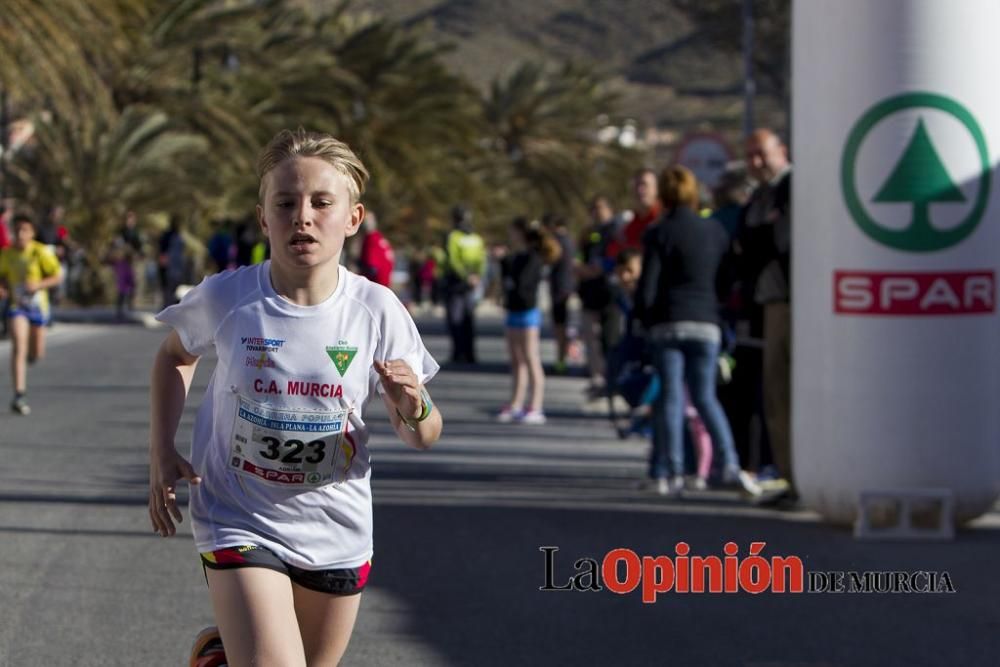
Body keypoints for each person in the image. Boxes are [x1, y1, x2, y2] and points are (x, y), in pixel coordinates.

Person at [148, 128, 443, 666]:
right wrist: (160, 451)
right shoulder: (228, 297)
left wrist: (413, 404)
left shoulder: (376, 311)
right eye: (285, 203)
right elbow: (174, 356)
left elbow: (422, 434)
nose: (302, 216)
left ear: (352, 218)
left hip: (336, 526)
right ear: (264, 218)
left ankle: (221, 653)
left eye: (321, 203)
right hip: (238, 514)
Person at [634, 166, 759, 498]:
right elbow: (725, 280)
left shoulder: (659, 233)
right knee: (706, 397)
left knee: (671, 397)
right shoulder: (714, 232)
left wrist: (642, 321)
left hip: (668, 321)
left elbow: (649, 286)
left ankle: (671, 470)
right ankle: (730, 463)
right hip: (706, 322)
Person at [737, 128, 794, 504]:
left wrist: (758, 236)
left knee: (786, 389)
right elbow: (746, 244)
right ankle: (789, 476)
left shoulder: (791, 188)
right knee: (774, 393)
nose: (756, 162)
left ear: (781, 152)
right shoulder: (760, 196)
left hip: (791, 298)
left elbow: (778, 243)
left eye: (763, 153)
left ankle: (795, 475)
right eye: (751, 155)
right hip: (768, 300)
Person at [495, 217, 561, 425]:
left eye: (513, 232)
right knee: (516, 360)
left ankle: (536, 405)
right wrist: (503, 262)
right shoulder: (518, 256)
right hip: (513, 310)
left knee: (531, 357)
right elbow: (509, 279)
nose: (510, 236)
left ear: (522, 233)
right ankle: (515, 403)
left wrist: (511, 279)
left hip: (527, 312)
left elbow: (523, 284)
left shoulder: (534, 257)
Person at [0, 214, 63, 415]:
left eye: (24, 230)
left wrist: (39, 285)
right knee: (18, 344)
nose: (20, 234)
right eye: (17, 230)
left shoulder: (40, 252)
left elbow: (57, 276)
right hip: (17, 306)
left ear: (32, 232)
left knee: (37, 352)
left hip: (38, 308)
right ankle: (19, 394)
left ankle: (31, 355)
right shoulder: (6, 254)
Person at [576, 195, 622, 395]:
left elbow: (613, 260)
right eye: (593, 208)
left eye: (600, 207)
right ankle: (597, 377)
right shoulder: (589, 232)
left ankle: (610, 380)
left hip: (609, 293)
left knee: (609, 339)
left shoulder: (615, 231)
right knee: (590, 338)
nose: (596, 212)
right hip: (589, 292)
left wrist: (593, 270)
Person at [442, 205, 486, 364]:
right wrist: (477, 277)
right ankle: (470, 353)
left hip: (456, 283)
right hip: (471, 284)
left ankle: (457, 353)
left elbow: (453, 260)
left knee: (455, 319)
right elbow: (482, 259)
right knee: (468, 319)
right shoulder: (477, 238)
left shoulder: (453, 236)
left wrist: (466, 277)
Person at [542, 214, 576, 375]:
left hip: (559, 287)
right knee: (562, 324)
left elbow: (548, 259)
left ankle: (561, 360)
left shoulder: (556, 241)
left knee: (560, 326)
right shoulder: (570, 240)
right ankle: (562, 358)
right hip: (566, 285)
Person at [607, 168, 662, 256]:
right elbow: (612, 251)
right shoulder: (632, 223)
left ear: (656, 189)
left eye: (644, 184)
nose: (639, 190)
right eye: (636, 185)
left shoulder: (664, 219)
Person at [356, 211, 395, 288]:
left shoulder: (371, 239)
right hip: (385, 281)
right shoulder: (379, 237)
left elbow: (371, 266)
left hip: (376, 283)